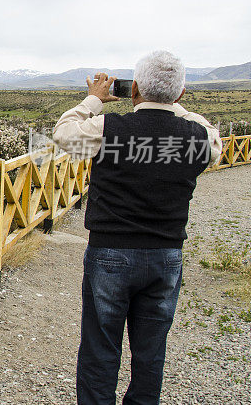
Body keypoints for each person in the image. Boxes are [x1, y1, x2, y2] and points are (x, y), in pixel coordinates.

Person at [52, 51, 222, 404]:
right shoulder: (198, 138)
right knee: (150, 352)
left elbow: (63, 134)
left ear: (134, 90)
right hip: (166, 255)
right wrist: (174, 104)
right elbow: (211, 135)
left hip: (110, 252)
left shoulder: (107, 128)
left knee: (100, 349)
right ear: (181, 94)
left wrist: (93, 100)